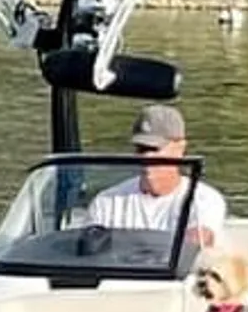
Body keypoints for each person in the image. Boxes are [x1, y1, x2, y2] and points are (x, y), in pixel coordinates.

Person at [86, 104, 226, 246]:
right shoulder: (107, 202)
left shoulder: (204, 200)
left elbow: (196, 244)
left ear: (180, 148)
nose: (147, 156)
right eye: (141, 149)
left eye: (155, 149)